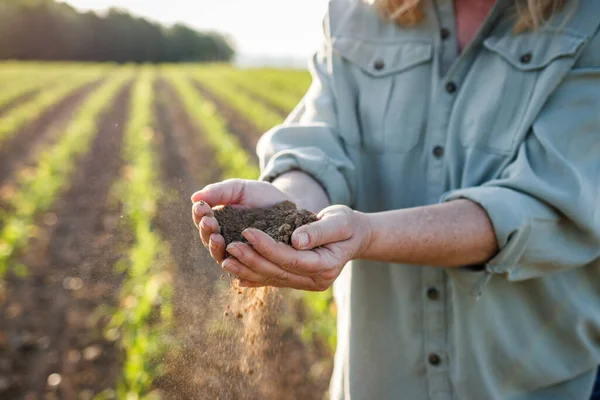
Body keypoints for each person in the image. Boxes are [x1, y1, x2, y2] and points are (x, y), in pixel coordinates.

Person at [191, 0, 600, 398]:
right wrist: (286, 208)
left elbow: (549, 202)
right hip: (381, 382)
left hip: (530, 383)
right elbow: (324, 142)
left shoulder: (587, 19)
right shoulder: (355, 13)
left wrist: (367, 234)